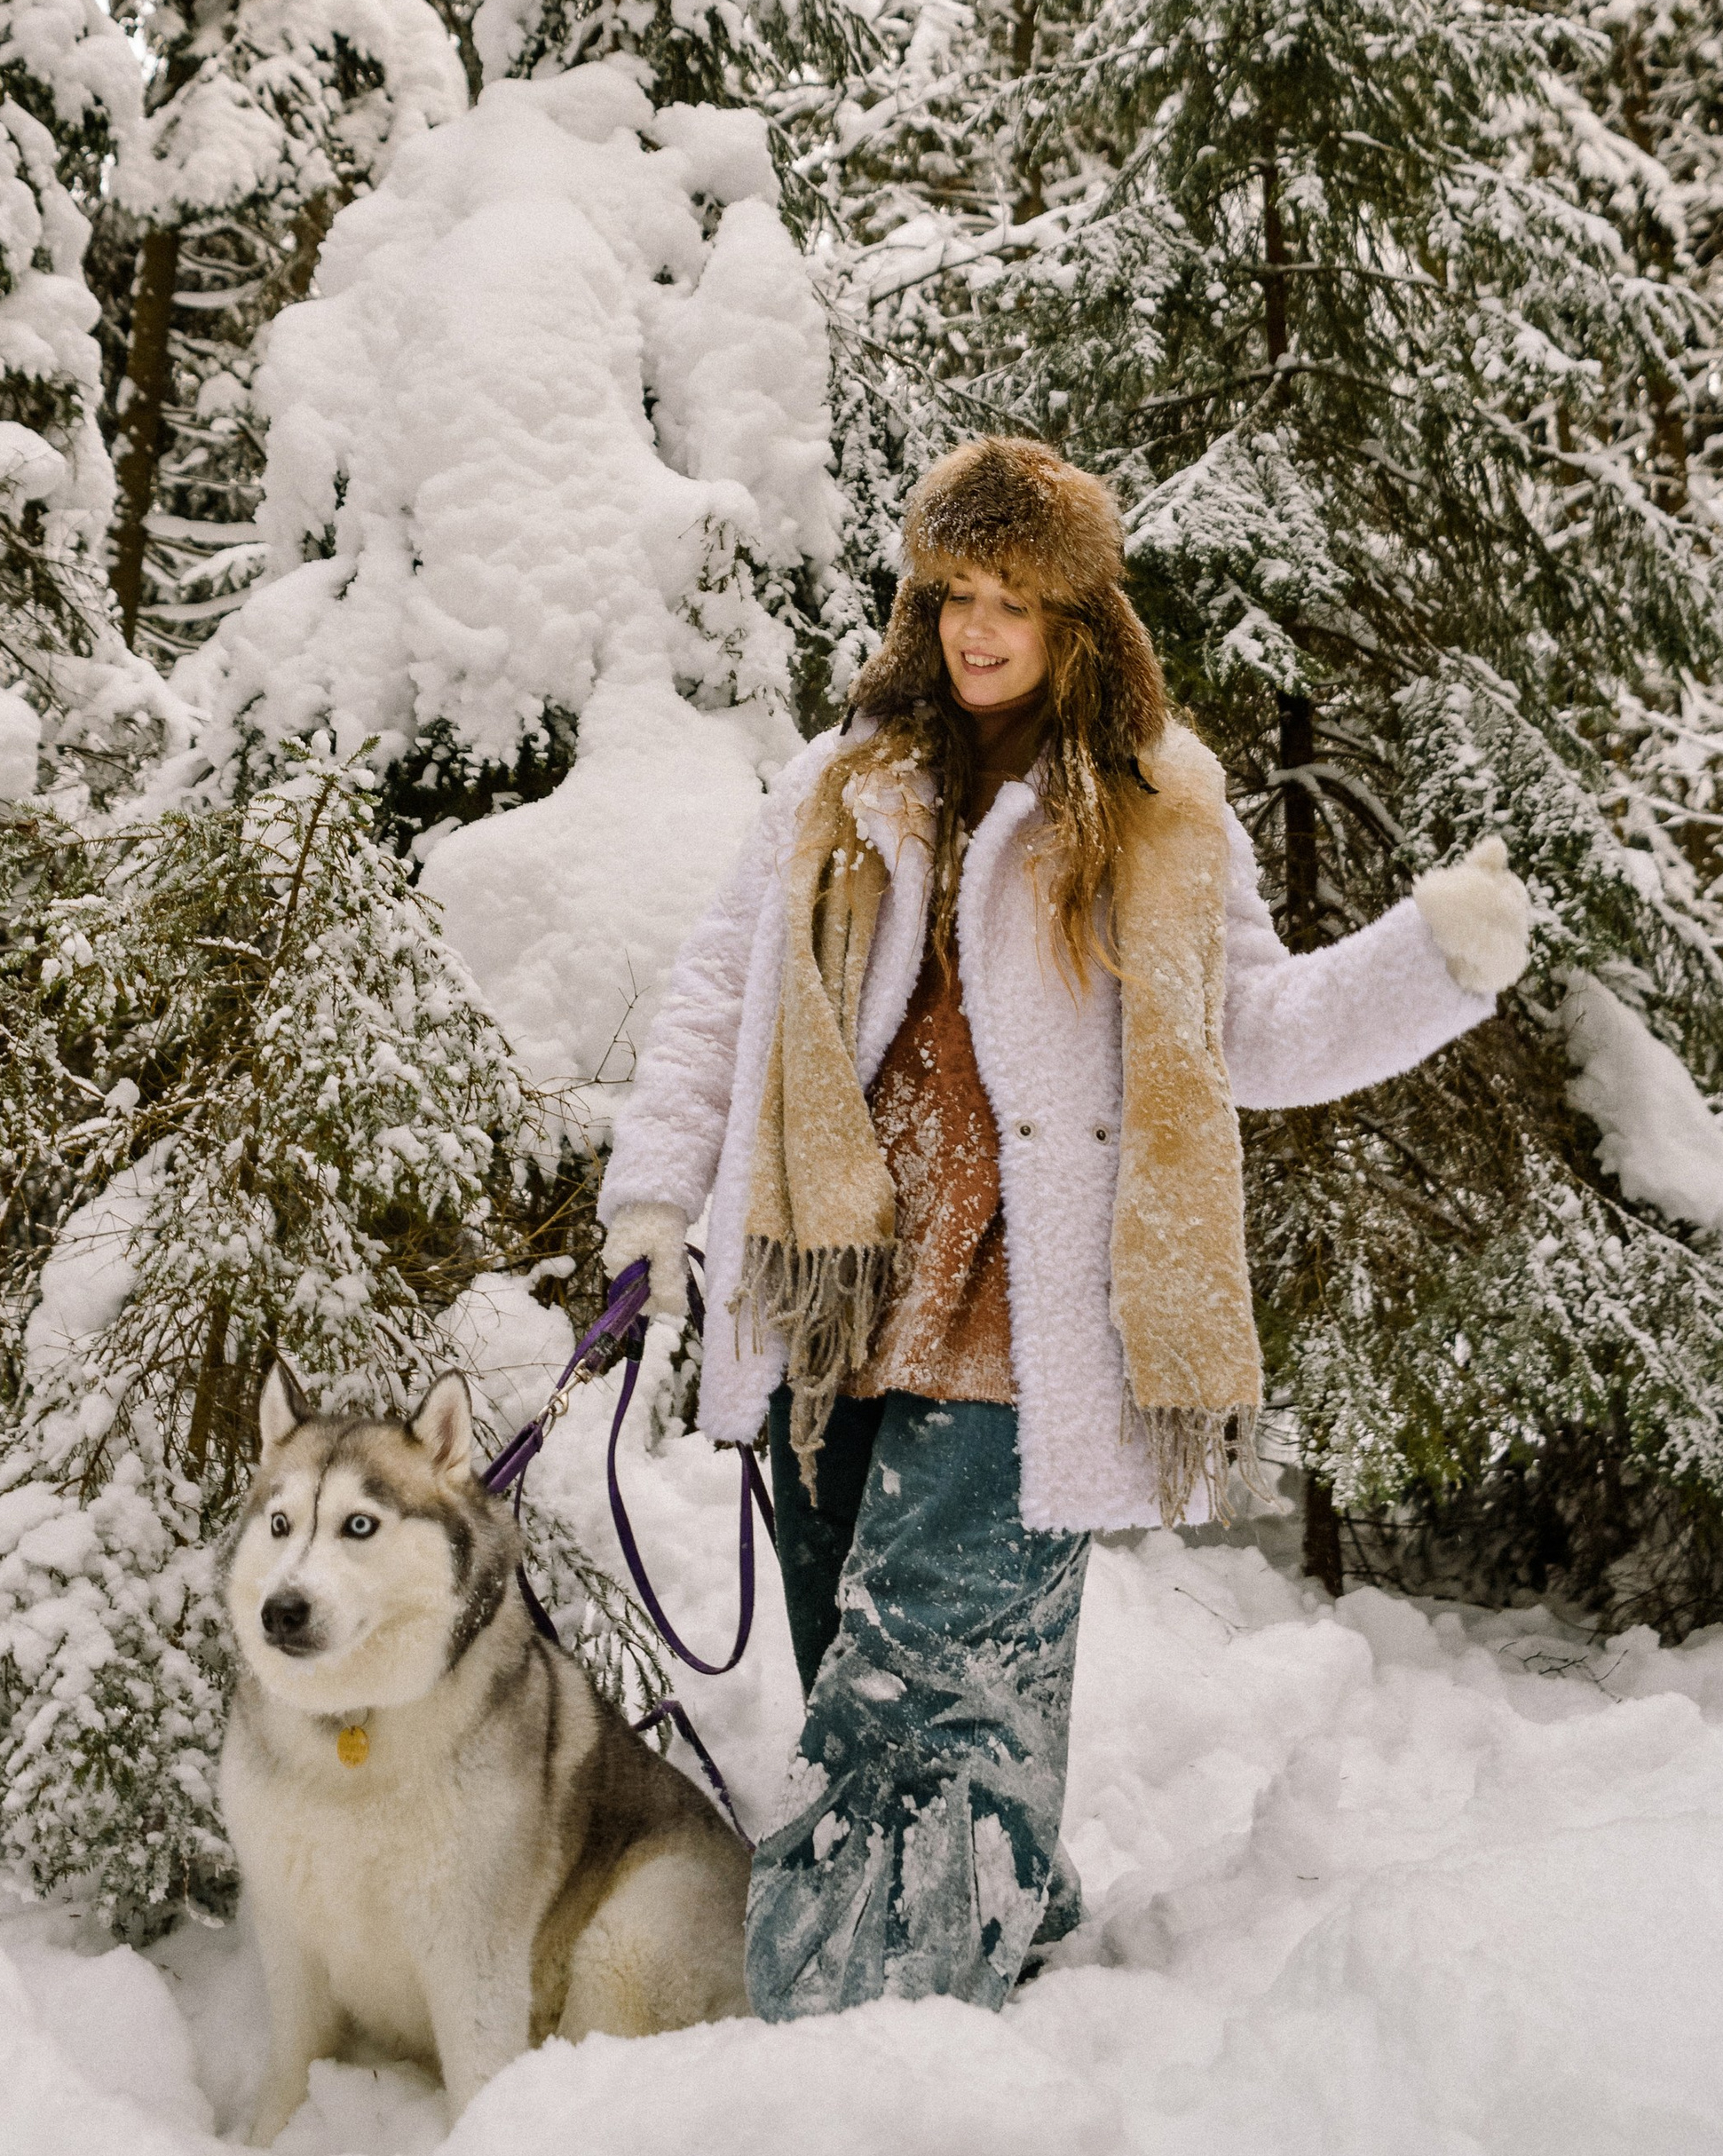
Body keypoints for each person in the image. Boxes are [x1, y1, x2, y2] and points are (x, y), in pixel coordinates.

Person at [597, 435, 1530, 2024]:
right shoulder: (841, 788)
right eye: (955, 592)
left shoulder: (1160, 815)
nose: (977, 629)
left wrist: (1429, 963)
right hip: (833, 1299)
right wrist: (654, 1202)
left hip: (1021, 1317)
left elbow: (1254, 1028)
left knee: (924, 1683)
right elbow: (715, 1006)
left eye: (1013, 599)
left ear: (1078, 617)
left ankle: (862, 2036)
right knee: (848, 1666)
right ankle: (1000, 1927)